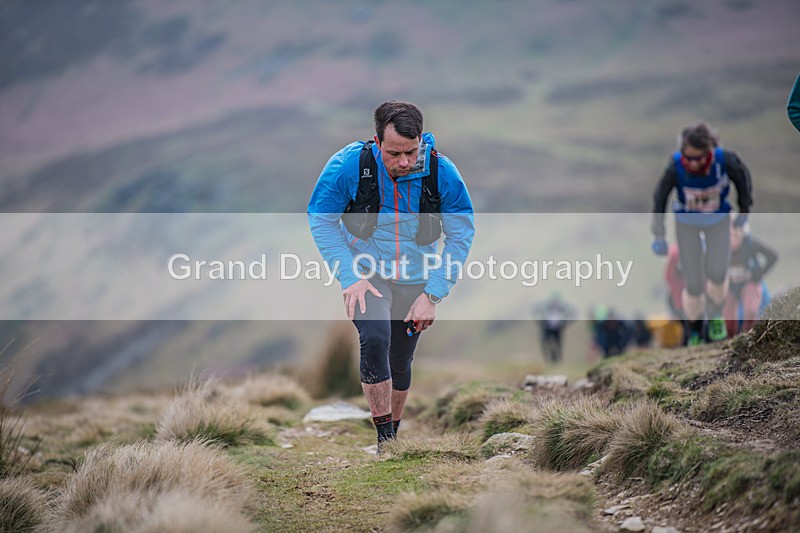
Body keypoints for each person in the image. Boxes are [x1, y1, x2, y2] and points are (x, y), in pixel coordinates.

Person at [308, 101, 475, 450]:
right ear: (377, 141)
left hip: (417, 278)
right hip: (366, 274)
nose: (403, 162)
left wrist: (432, 295)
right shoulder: (349, 165)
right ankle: (385, 442)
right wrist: (349, 275)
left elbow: (461, 235)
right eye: (394, 153)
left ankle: (393, 435)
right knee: (376, 337)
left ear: (420, 142)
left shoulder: (440, 171)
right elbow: (321, 218)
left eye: (411, 152)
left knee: (400, 359)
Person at [651, 121, 753, 345]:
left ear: (708, 151)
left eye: (698, 157)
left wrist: (745, 209)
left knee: (717, 273)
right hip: (687, 223)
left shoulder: (725, 160)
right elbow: (660, 197)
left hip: (718, 221)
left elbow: (742, 179)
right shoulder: (675, 166)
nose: (693, 163)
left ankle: (715, 314)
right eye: (689, 158)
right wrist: (658, 233)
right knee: (694, 283)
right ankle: (694, 328)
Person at [723, 220, 777, 336]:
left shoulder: (750, 244)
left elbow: (773, 256)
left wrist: (758, 275)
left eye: (735, 234)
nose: (732, 238)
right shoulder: (721, 248)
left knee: (750, 309)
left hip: (750, 284)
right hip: (731, 286)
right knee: (728, 315)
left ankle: (747, 336)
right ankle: (730, 338)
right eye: (729, 235)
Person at [532, 293, 575, 364]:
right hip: (547, 328)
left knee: (558, 345)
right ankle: (548, 359)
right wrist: (540, 322)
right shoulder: (545, 307)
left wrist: (565, 323)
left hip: (557, 329)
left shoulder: (562, 308)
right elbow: (535, 310)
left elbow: (572, 313)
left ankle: (558, 360)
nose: (554, 304)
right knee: (546, 344)